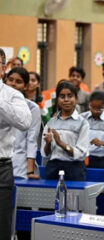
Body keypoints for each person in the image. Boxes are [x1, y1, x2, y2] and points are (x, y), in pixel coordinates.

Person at [0, 49, 32, 240]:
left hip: (1, 168)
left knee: (2, 226)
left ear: (3, 68)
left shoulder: (12, 95)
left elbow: (24, 122)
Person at [41, 81, 90, 181]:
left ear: (76, 99)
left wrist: (60, 143)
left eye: (70, 96)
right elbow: (46, 153)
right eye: (62, 96)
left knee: (74, 196)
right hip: (53, 167)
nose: (66, 100)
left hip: (74, 168)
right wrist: (48, 143)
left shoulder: (83, 123)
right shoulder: (51, 122)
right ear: (58, 100)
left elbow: (81, 153)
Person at [5, 67, 41, 180]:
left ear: (25, 86)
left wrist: (29, 171)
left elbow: (32, 140)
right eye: (10, 80)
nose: (13, 84)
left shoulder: (32, 108)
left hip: (20, 166)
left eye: (18, 82)